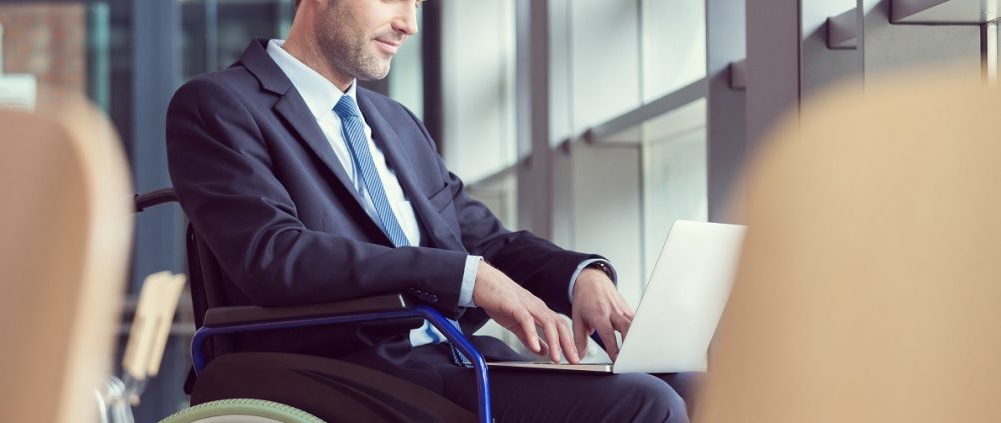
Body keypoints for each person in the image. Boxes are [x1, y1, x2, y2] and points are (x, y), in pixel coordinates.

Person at [165, 0, 691, 421]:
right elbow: (273, 255)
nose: (409, 23)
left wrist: (581, 278)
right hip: (345, 367)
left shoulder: (395, 123)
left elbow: (483, 241)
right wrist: (461, 275)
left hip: (454, 358)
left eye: (417, 3)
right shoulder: (219, 105)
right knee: (647, 404)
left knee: (690, 384)